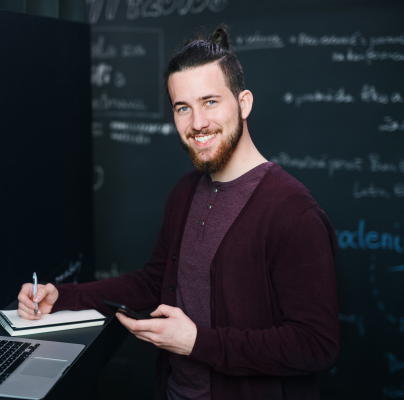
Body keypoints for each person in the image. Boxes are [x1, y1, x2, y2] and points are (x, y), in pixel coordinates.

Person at [17, 26, 339, 400]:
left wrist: (197, 342)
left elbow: (317, 345)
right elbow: (155, 283)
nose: (197, 123)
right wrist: (63, 296)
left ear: (244, 102)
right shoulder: (185, 192)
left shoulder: (293, 212)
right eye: (182, 108)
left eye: (210, 102)